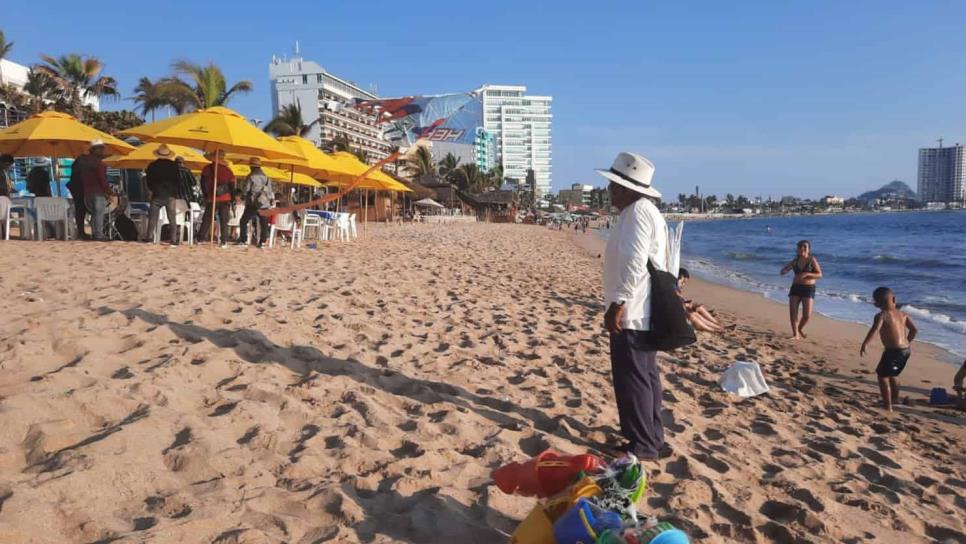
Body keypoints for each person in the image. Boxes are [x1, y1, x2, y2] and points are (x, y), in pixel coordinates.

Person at [600, 151, 672, 461]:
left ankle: (644, 444)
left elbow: (635, 261)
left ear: (630, 188)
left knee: (635, 380)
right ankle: (651, 439)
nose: (611, 191)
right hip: (640, 310)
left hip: (634, 312)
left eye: (615, 186)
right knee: (645, 378)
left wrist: (619, 302)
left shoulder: (638, 213)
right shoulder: (643, 211)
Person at [860, 287, 918, 412]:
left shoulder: (882, 315)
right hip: (906, 350)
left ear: (876, 304)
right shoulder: (903, 314)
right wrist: (907, 341)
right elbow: (914, 330)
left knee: (882, 377)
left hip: (893, 351)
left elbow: (875, 330)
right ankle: (895, 399)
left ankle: (888, 406)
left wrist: (866, 343)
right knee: (893, 374)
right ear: (894, 299)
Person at [780, 240, 823, 339]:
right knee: (793, 311)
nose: (802, 248)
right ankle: (795, 334)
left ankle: (799, 328)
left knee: (807, 315)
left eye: (805, 247)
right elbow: (783, 271)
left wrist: (807, 274)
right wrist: (784, 271)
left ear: (809, 249)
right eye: (800, 247)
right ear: (797, 249)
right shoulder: (795, 261)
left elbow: (820, 275)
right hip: (795, 288)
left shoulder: (812, 260)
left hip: (808, 289)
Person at [72, 140, 111, 241]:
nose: (103, 151)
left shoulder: (81, 161)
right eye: (101, 149)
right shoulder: (98, 163)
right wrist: (108, 192)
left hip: (85, 191)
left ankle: (90, 233)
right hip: (97, 192)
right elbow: (102, 179)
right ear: (95, 150)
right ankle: (98, 234)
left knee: (91, 212)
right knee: (98, 213)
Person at [197, 150, 236, 247]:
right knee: (224, 221)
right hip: (225, 198)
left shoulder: (206, 169)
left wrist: (206, 195)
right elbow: (232, 186)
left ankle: (200, 239)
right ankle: (224, 241)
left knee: (207, 219)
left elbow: (203, 183)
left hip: (211, 198)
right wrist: (233, 199)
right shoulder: (228, 171)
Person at [144, 144, 181, 245]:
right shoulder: (174, 166)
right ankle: (173, 240)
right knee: (172, 218)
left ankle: (149, 238)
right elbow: (178, 180)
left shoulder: (152, 165)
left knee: (153, 218)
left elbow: (148, 180)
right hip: (170, 195)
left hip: (157, 194)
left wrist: (152, 189)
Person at [236, 157, 273, 248]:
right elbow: (270, 192)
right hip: (264, 203)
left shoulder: (251, 176)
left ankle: (243, 239)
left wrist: (243, 196)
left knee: (243, 221)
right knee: (263, 223)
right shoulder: (266, 177)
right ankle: (263, 242)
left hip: (253, 203)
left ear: (252, 167)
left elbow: (246, 190)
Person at [677, 268, 725, 333]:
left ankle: (718, 325)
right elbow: (676, 303)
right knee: (693, 314)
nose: (683, 285)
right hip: (679, 311)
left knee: (698, 308)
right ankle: (715, 329)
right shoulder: (673, 287)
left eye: (684, 283)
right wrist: (688, 305)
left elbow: (678, 300)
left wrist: (686, 302)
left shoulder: (675, 287)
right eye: (683, 282)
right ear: (679, 278)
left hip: (681, 308)